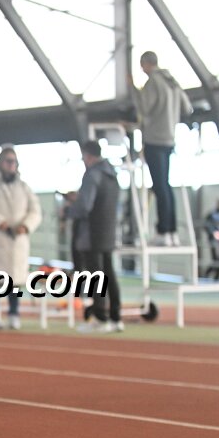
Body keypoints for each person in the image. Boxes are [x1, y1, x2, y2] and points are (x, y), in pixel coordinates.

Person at [130, 51, 192, 247]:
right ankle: (171, 231)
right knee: (165, 185)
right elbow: (187, 108)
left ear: (146, 64)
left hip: (154, 139)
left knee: (159, 186)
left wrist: (134, 90)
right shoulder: (172, 82)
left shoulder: (153, 83)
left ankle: (163, 230)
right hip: (169, 139)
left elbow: (144, 108)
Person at [0, 145, 41, 331]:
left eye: (14, 162)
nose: (11, 165)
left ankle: (14, 314)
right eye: (8, 161)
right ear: (0, 163)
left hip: (18, 242)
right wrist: (0, 222)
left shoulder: (24, 187)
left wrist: (25, 226)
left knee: (15, 281)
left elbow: (35, 211)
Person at [65, 141, 122, 333]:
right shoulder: (112, 175)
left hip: (91, 234)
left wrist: (70, 210)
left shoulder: (92, 174)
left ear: (87, 155)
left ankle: (100, 317)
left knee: (96, 277)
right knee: (109, 274)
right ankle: (115, 317)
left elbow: (85, 207)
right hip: (108, 232)